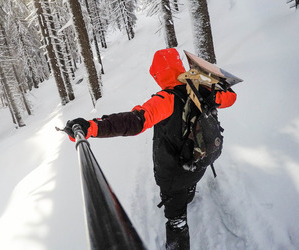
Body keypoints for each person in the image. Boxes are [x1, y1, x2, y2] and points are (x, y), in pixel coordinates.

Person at [63, 48, 237, 250]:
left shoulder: (167, 99)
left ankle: (178, 226)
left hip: (174, 172)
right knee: (187, 185)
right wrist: (211, 87)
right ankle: (188, 193)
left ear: (161, 73)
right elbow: (231, 98)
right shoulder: (203, 89)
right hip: (201, 159)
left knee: (176, 219)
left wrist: (91, 127)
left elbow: (134, 122)